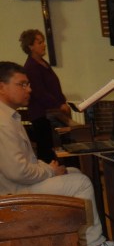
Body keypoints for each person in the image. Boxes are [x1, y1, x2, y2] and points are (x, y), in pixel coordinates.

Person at [0, 61, 114, 246]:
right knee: (80, 183)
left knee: (73, 172)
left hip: (16, 185)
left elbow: (23, 163)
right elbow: (18, 172)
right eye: (22, 84)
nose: (29, 89)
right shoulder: (3, 122)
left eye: (28, 84)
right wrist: (50, 170)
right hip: (13, 195)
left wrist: (50, 170)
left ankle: (85, 242)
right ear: (1, 87)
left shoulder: (8, 115)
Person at [20, 29, 71, 162]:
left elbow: (54, 87)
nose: (44, 45)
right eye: (40, 42)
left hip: (52, 113)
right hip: (42, 116)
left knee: (63, 148)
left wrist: (63, 101)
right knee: (48, 152)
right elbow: (40, 93)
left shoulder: (42, 63)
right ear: (30, 46)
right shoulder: (31, 67)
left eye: (43, 42)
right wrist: (59, 105)